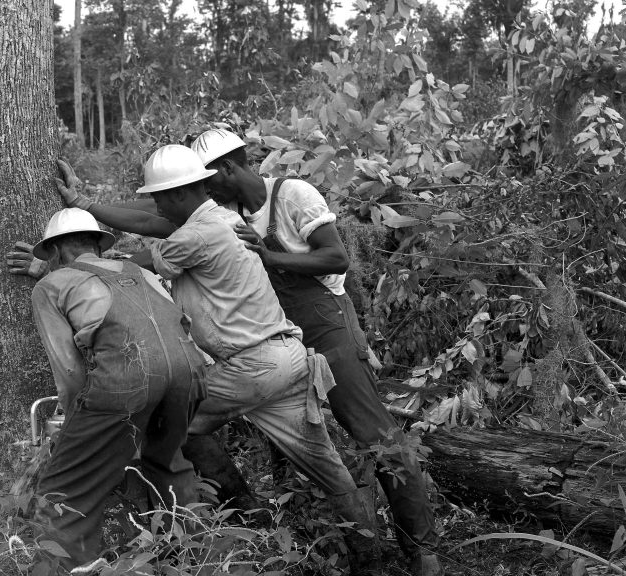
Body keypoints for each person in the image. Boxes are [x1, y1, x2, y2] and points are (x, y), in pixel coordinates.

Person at [47, 145, 381, 574]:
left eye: (161, 197)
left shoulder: (195, 234)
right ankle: (372, 559)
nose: (158, 206)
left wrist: (58, 276)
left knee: (167, 420)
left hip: (249, 367)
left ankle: (236, 512)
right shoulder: (224, 220)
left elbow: (129, 271)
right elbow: (154, 224)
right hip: (287, 358)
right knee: (329, 471)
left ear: (182, 194)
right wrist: (85, 205)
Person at [186, 128, 443, 576]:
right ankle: (326, 537)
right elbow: (160, 216)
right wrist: (88, 209)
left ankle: (420, 545)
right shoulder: (233, 211)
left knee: (374, 434)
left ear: (228, 167)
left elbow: (335, 258)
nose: (204, 191)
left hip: (327, 329)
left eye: (207, 179)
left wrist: (273, 259)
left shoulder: (292, 194)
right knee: (298, 441)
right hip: (280, 339)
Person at [25, 207, 206, 571]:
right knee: (167, 462)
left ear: (57, 252)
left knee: (63, 490)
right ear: (98, 245)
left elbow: (70, 371)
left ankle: (71, 567)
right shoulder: (139, 271)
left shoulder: (50, 286)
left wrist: (75, 424)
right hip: (191, 371)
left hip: (128, 378)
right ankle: (197, 558)